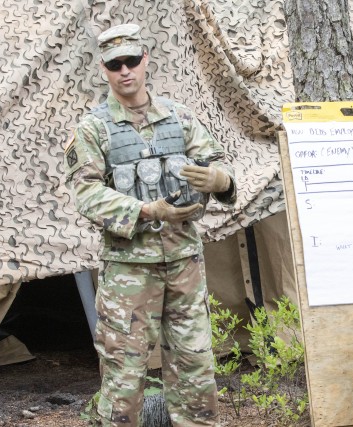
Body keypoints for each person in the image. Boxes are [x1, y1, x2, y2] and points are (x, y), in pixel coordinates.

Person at [63, 23, 236, 427]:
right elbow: (86, 194)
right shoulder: (93, 128)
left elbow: (218, 162)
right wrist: (146, 211)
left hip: (183, 264)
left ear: (146, 61)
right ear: (104, 70)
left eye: (131, 61)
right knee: (124, 373)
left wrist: (221, 181)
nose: (125, 71)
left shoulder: (180, 118)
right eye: (114, 64)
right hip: (128, 271)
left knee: (195, 367)